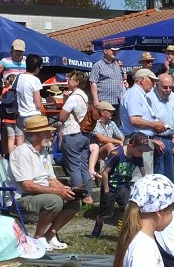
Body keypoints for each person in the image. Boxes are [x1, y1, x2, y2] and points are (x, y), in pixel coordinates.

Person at [8, 115, 79, 249]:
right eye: (48, 131)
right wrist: (58, 191)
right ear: (39, 134)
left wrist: (66, 190)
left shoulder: (44, 152)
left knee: (74, 200)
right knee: (54, 201)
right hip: (22, 197)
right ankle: (38, 236)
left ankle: (49, 236)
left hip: (40, 194)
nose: (52, 134)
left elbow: (51, 179)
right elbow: (27, 185)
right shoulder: (22, 153)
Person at [92, 132, 150, 238]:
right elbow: (105, 172)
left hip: (124, 186)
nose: (141, 153)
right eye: (140, 150)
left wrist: (148, 183)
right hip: (110, 186)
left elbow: (144, 173)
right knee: (105, 213)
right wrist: (106, 190)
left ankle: (122, 231)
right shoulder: (116, 154)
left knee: (126, 209)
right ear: (132, 145)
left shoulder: (138, 157)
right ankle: (99, 223)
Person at [58, 70, 94, 201]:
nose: (68, 81)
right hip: (85, 134)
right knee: (83, 165)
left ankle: (79, 196)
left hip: (72, 133)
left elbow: (62, 117)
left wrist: (65, 102)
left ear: (77, 82)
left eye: (71, 79)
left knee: (74, 167)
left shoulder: (73, 98)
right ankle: (89, 194)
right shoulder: (84, 96)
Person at [148, 73, 174, 182]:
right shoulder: (149, 97)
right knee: (158, 177)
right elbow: (146, 120)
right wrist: (153, 139)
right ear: (157, 85)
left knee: (169, 178)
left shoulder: (173, 96)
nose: (168, 90)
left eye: (170, 87)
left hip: (170, 140)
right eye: (165, 87)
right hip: (156, 141)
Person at [89, 43, 127, 120]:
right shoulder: (98, 65)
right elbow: (93, 83)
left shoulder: (116, 64)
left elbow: (120, 81)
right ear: (105, 51)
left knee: (117, 124)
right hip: (105, 101)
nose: (114, 52)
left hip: (118, 101)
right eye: (112, 50)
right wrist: (96, 100)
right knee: (105, 123)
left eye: (115, 51)